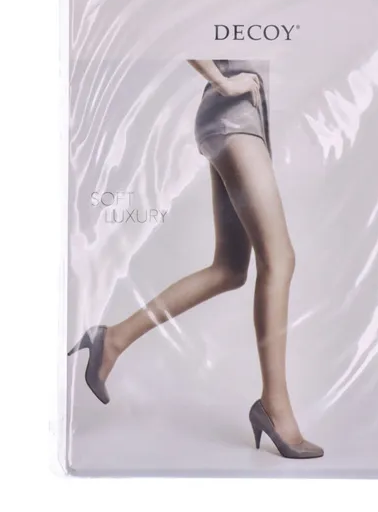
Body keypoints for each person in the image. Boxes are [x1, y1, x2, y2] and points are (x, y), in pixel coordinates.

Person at [69, 60, 323, 459]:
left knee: (229, 269)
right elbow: (185, 33)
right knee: (279, 259)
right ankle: (275, 407)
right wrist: (223, 81)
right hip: (235, 118)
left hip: (237, 120)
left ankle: (112, 339)